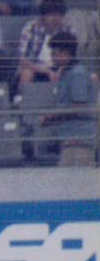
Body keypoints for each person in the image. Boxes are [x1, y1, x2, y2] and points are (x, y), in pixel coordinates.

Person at [40, 33, 96, 168]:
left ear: (65, 53)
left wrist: (52, 116)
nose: (52, 57)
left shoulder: (78, 74)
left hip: (79, 140)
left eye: (54, 53)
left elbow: (79, 106)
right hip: (68, 139)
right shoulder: (67, 73)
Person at [16, 0, 69, 88]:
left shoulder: (68, 29)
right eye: (52, 15)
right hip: (36, 68)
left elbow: (73, 57)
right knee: (27, 73)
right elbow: (23, 60)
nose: (56, 18)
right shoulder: (31, 28)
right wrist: (47, 71)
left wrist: (61, 70)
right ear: (43, 16)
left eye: (59, 15)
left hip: (59, 68)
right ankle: (20, 96)